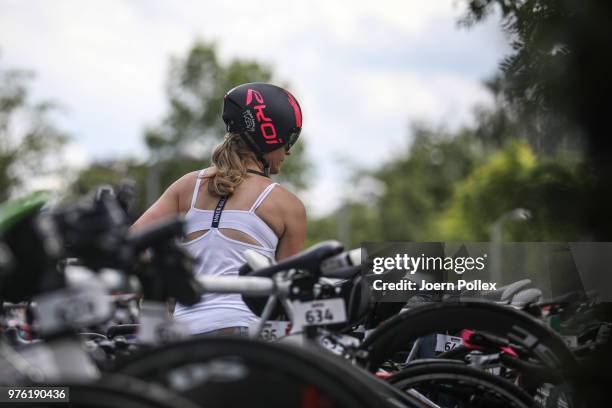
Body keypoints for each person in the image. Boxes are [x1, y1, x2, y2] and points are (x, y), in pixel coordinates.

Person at [131, 82, 307, 335]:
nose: (288, 152)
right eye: (290, 140)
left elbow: (134, 243)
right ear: (271, 134)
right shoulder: (287, 205)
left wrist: (165, 290)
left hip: (181, 337)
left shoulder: (187, 185)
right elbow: (285, 294)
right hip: (244, 335)